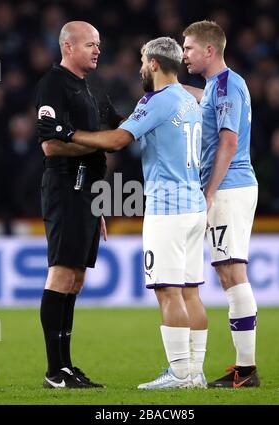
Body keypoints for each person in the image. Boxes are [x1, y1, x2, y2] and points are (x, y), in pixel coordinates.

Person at [38, 36, 209, 390]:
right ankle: (195, 371)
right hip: (194, 206)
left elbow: (118, 139)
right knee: (190, 291)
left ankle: (180, 375)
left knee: (169, 291)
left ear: (156, 65)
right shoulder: (189, 100)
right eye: (91, 43)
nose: (141, 67)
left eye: (145, 61)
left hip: (168, 208)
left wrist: (69, 133)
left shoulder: (159, 100)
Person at [35, 21, 122, 389]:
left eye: (99, 44)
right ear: (68, 47)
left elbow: (122, 130)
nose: (97, 50)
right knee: (61, 273)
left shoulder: (93, 90)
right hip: (65, 186)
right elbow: (51, 144)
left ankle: (66, 366)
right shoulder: (53, 84)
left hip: (88, 192)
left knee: (77, 279)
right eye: (90, 44)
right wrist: (103, 142)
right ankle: (54, 371)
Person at [183, 20, 260, 388]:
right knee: (227, 271)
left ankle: (247, 369)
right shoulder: (216, 86)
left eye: (189, 48)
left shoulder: (228, 84)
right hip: (229, 187)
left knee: (232, 272)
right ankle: (244, 365)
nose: (184, 54)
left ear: (209, 51)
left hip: (229, 187)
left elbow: (228, 142)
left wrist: (210, 191)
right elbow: (202, 101)